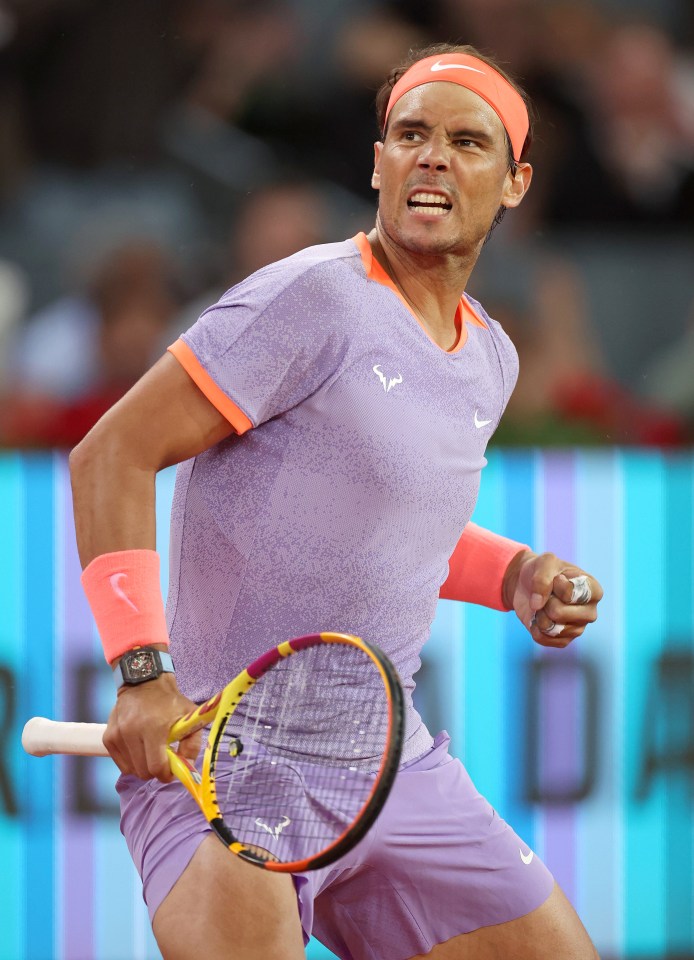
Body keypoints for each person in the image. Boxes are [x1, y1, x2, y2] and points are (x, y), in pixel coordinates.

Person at [70, 43, 603, 960]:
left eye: (465, 141)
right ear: (378, 163)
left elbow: (388, 523)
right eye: (410, 134)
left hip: (391, 768)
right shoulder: (311, 297)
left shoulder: (493, 359)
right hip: (223, 764)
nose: (431, 155)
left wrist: (514, 574)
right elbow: (110, 453)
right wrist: (142, 673)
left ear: (514, 183)